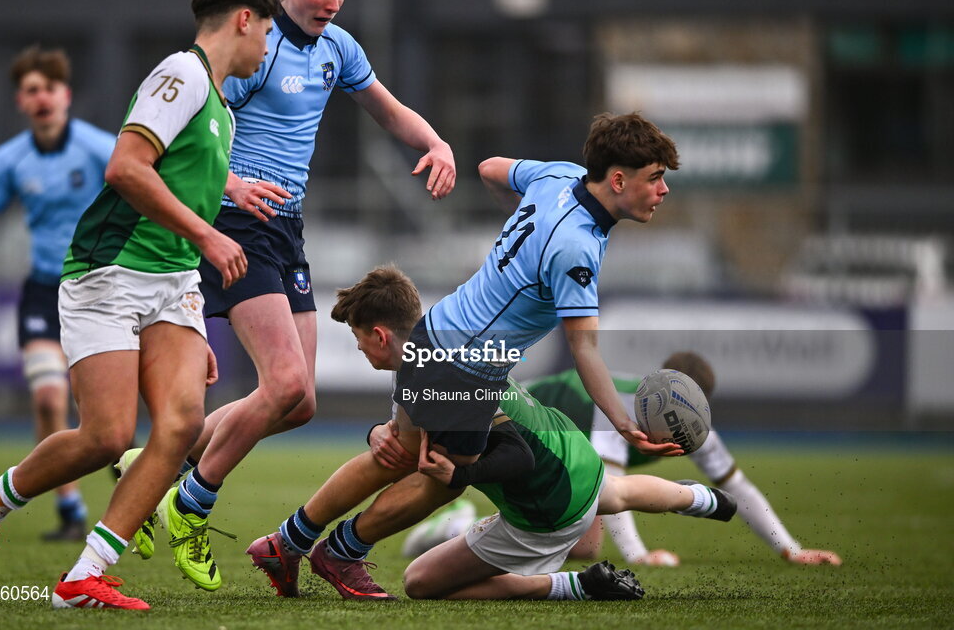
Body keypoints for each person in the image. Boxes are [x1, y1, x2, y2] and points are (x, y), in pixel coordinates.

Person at [244, 111, 685, 599]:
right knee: (441, 480)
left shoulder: (558, 176)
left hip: (438, 330)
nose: (663, 190)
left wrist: (515, 225)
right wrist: (623, 424)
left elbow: (491, 167)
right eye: (655, 178)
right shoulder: (575, 247)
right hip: (466, 366)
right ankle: (340, 554)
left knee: (397, 453)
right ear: (619, 179)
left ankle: (289, 541)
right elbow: (584, 348)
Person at [0, 0, 279, 611]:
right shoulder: (181, 73)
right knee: (105, 434)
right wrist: (212, 240)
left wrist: (188, 308)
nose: (266, 46)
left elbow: (187, 203)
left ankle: (83, 575)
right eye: (266, 31)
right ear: (243, 19)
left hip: (170, 284)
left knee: (182, 424)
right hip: (108, 270)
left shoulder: (221, 107)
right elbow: (126, 168)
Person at [149, 0, 457, 592]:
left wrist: (435, 143)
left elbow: (388, 109)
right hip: (236, 224)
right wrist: (228, 182)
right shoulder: (252, 46)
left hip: (286, 230)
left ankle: (155, 465)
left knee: (299, 402)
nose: (332, 4)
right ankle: (188, 502)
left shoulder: (338, 47)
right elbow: (187, 138)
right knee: (284, 384)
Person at [246, 265, 735, 601]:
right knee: (616, 490)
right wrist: (382, 430)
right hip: (570, 449)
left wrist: (464, 473)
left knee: (421, 580)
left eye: (359, 341)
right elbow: (405, 432)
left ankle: (578, 586)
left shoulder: (433, 377)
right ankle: (702, 499)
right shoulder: (434, 342)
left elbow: (515, 457)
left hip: (546, 507)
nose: (360, 352)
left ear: (380, 335)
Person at [0, 46, 116, 541]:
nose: (41, 97)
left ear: (65, 95)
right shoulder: (10, 159)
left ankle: (132, 478)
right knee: (49, 397)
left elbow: (142, 186)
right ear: (20, 102)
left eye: (49, 88)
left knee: (110, 417)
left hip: (104, 288)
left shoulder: (98, 146)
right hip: (45, 291)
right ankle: (69, 507)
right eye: (31, 91)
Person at [526, 355, 843, 567]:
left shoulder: (696, 428)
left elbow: (738, 488)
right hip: (532, 422)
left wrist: (790, 549)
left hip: (574, 451)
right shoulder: (617, 406)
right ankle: (478, 523)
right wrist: (639, 557)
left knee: (584, 549)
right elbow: (614, 486)